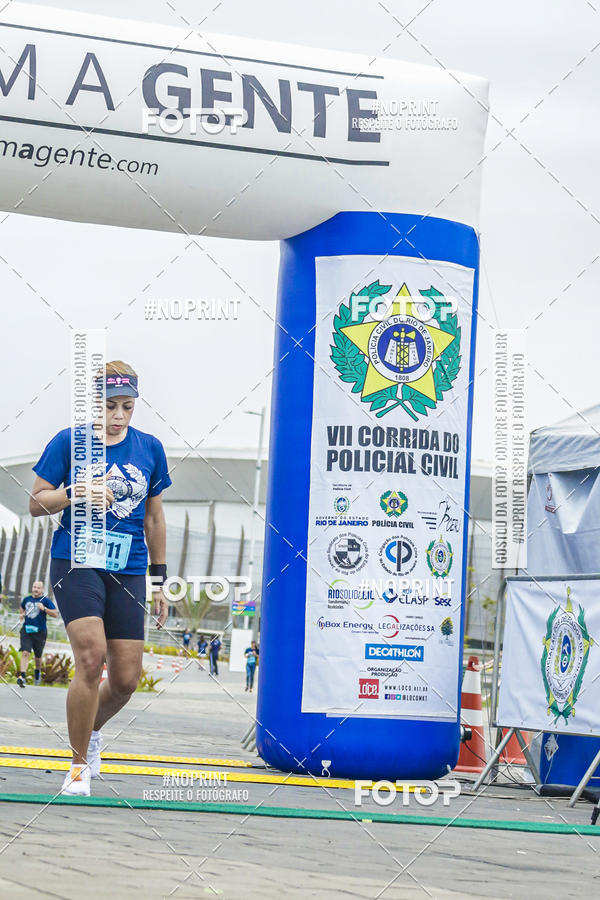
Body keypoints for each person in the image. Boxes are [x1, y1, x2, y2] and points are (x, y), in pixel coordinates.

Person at [30, 361, 171, 797]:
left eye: (127, 407)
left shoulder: (149, 448)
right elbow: (36, 503)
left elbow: (154, 516)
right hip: (76, 561)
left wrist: (160, 580)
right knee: (91, 659)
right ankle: (76, 766)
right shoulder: (69, 442)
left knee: (127, 678)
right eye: (110, 406)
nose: (118, 416)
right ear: (95, 404)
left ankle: (89, 733)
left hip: (127, 567)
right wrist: (73, 492)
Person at [17, 581, 58, 687]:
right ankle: (22, 677)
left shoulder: (45, 600)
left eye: (38, 588)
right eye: (34, 587)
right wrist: (21, 615)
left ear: (42, 590)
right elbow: (22, 609)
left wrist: (44, 608)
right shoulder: (26, 599)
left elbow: (55, 614)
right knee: (25, 653)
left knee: (38, 657)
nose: (36, 589)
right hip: (26, 630)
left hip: (40, 632)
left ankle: (37, 673)